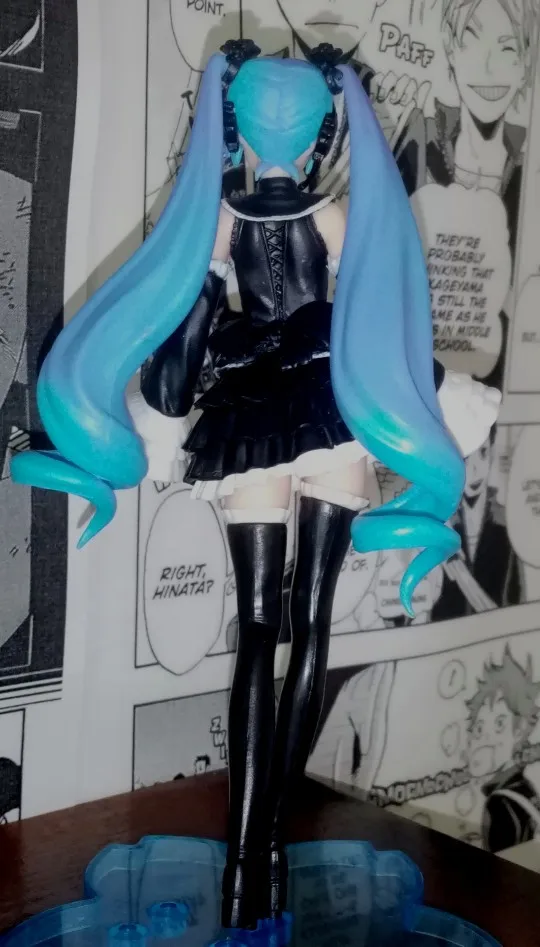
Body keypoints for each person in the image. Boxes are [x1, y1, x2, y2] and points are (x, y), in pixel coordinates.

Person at [11, 42, 498, 930]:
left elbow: (184, 348)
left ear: (237, 129)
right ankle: (268, 831)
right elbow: (371, 315)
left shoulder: (216, 226)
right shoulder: (335, 216)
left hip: (250, 426)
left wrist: (172, 386)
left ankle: (247, 856)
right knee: (306, 624)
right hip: (329, 414)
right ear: (316, 137)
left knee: (260, 629)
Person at [466, 645, 540, 851]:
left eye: (499, 724)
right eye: (479, 728)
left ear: (520, 729)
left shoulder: (499, 804)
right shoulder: (525, 788)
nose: (486, 737)